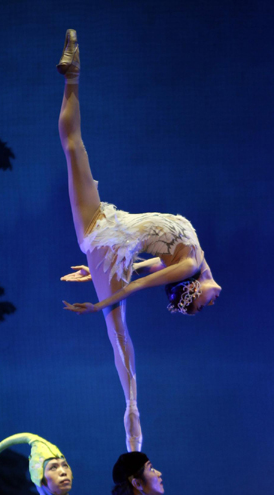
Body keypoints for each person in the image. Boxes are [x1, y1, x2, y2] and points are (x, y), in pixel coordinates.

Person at [56, 29, 222, 453]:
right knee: (73, 148)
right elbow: (148, 269)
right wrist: (97, 275)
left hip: (110, 244)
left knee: (121, 340)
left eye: (201, 303)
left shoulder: (187, 266)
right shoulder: (192, 260)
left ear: (191, 287)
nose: (211, 301)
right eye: (203, 305)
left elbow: (137, 282)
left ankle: (134, 440)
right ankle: (71, 74)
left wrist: (101, 302)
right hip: (108, 229)